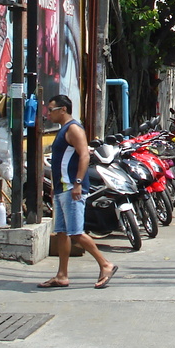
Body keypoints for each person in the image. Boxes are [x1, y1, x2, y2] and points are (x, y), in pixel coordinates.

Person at [37, 95, 118, 289]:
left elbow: (84, 156)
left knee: (75, 233)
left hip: (72, 188)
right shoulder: (62, 130)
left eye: (52, 109)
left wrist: (78, 183)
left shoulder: (73, 129)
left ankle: (105, 264)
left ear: (63, 109)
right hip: (62, 188)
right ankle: (62, 275)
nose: (49, 113)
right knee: (62, 233)